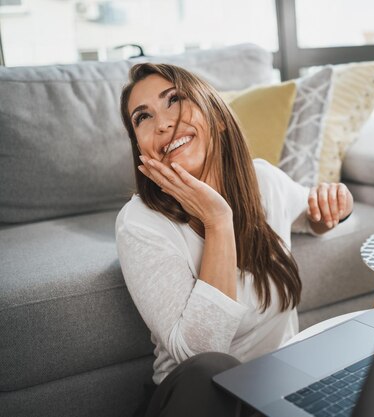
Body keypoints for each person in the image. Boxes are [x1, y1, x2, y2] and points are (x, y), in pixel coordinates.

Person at [115, 62, 354, 417]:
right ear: (141, 148)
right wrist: (218, 220)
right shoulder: (140, 223)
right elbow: (201, 356)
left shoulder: (264, 181)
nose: (163, 123)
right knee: (212, 369)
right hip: (197, 402)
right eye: (142, 118)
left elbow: (313, 216)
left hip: (274, 397)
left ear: (218, 118)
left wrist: (337, 203)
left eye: (174, 100)